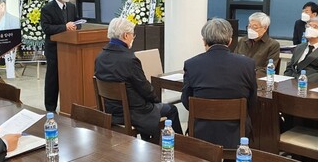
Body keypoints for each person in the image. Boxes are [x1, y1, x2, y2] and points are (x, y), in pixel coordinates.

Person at [95, 18, 183, 141]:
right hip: (135, 113)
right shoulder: (129, 60)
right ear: (125, 35)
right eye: (133, 35)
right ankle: (181, 149)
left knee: (151, 105)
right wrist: (156, 99)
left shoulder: (100, 57)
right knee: (171, 110)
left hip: (111, 112)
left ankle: (148, 143)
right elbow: (145, 88)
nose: (133, 38)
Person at [182, 18, 257, 150]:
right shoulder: (247, 64)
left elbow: (186, 101)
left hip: (202, 131)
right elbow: (252, 102)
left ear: (204, 40)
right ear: (230, 41)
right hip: (236, 133)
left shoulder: (191, 64)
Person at [40, 0, 77, 112]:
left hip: (70, 49)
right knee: (53, 79)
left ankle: (70, 106)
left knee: (69, 78)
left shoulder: (72, 7)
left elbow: (76, 22)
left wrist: (75, 26)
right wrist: (64, 27)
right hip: (54, 49)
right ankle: (50, 108)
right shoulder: (47, 9)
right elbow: (46, 28)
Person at [284, 17, 318, 84]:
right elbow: (290, 68)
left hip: (311, 87)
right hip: (291, 84)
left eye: (314, 27)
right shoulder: (299, 47)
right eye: (308, 26)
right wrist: (287, 81)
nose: (309, 29)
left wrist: (299, 82)